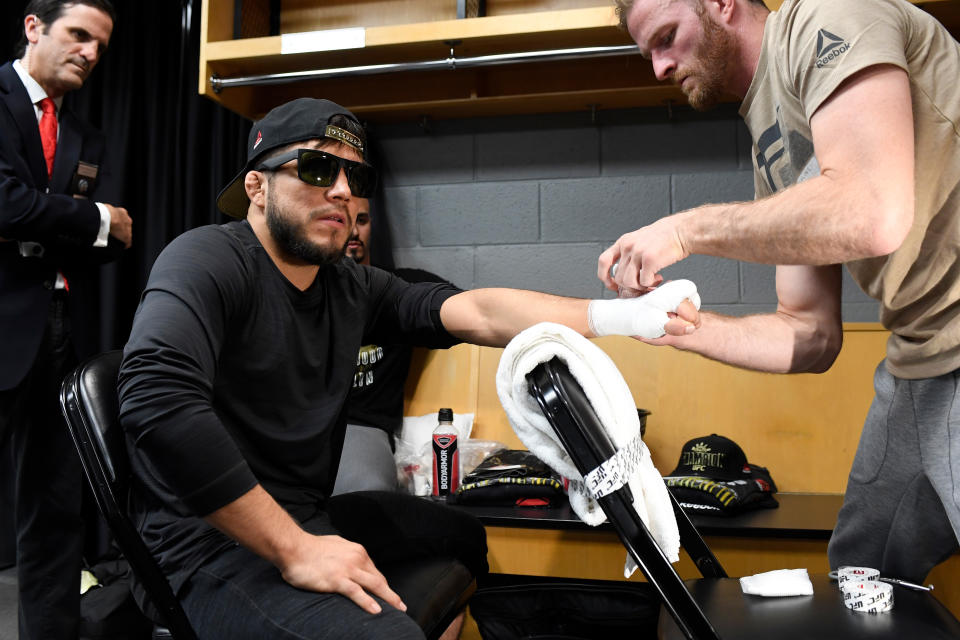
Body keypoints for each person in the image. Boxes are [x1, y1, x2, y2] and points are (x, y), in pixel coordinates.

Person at [117, 97, 700, 640]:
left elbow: (471, 311)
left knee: (461, 536)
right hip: (205, 547)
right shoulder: (208, 259)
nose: (343, 191)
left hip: (306, 515)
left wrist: (617, 315)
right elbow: (155, 399)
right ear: (257, 187)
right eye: (319, 170)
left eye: (357, 177)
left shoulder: (345, 284)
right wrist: (297, 549)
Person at [605, 0, 960, 584]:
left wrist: (685, 230)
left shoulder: (830, 18)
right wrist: (680, 325)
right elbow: (809, 332)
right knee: (862, 570)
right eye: (649, 53)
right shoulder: (770, 135)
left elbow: (872, 212)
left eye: (667, 37)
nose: (660, 69)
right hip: (920, 361)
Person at [0, 1, 131, 638]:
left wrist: (82, 227)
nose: (90, 53)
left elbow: (65, 234)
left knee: (54, 507)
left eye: (100, 46)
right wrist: (99, 218)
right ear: (34, 27)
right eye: (79, 35)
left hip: (55, 327)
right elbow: (5, 202)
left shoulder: (84, 136)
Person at [334, 197, 456, 495]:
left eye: (361, 221)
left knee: (366, 492)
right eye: (343, 221)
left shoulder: (399, 290)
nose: (353, 232)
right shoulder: (307, 291)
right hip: (303, 427)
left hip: (361, 427)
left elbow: (468, 310)